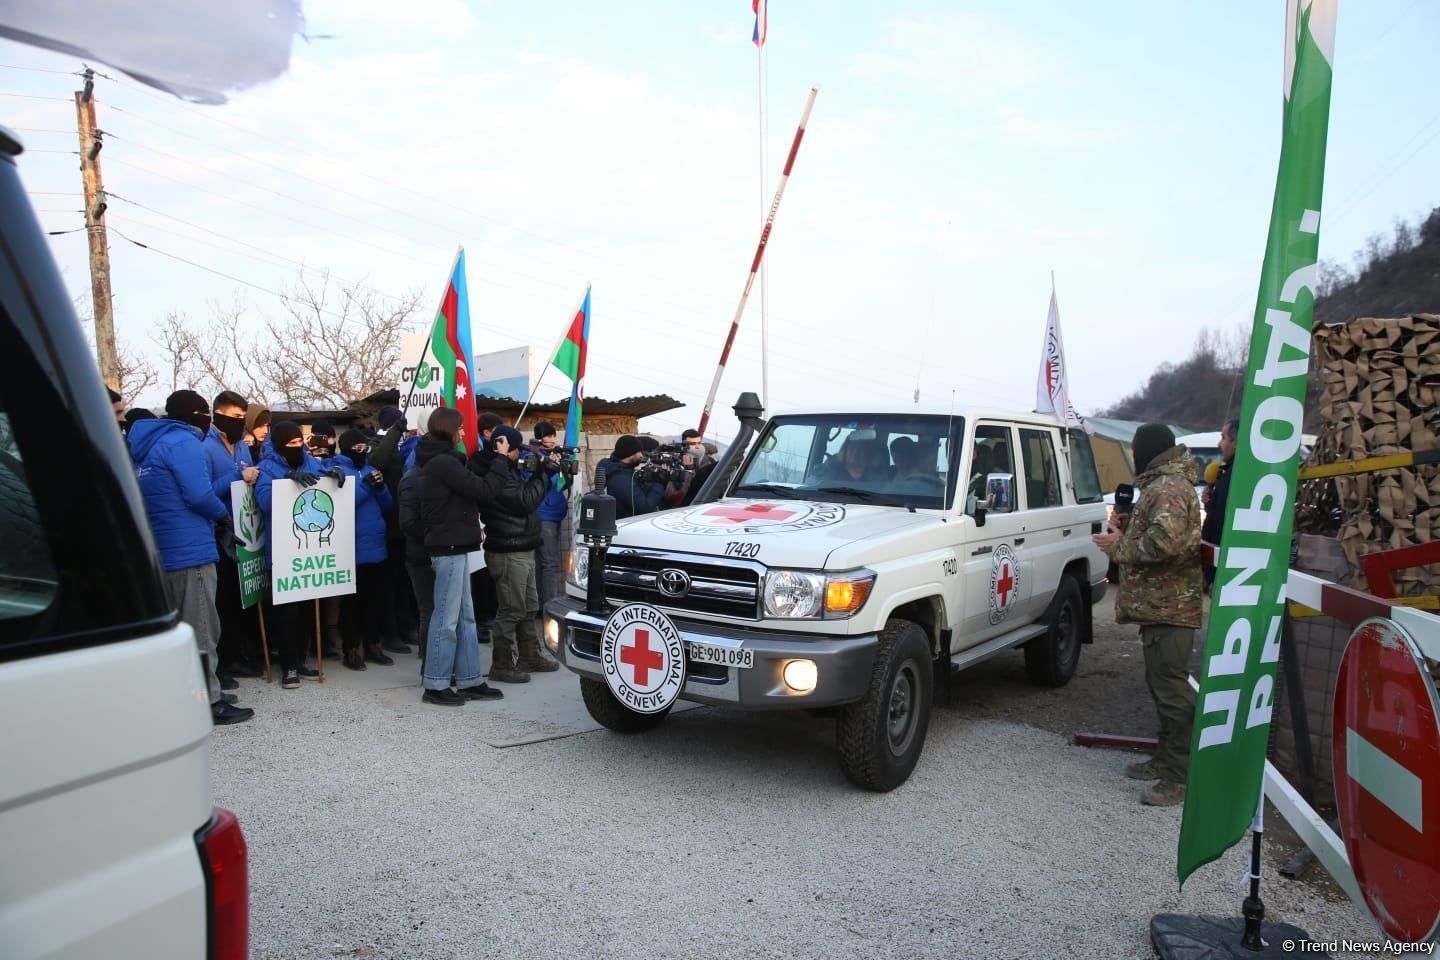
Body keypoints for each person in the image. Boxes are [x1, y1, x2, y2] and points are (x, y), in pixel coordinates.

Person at [1092, 423, 1202, 807]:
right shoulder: (1163, 486)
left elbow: (1164, 544)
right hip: (1161, 606)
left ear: (1145, 452)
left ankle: (1179, 777)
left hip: (1170, 606)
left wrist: (1120, 545)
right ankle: (1165, 759)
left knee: (1172, 693)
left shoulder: (1168, 488)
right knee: (1162, 687)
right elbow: (1157, 533)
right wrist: (1129, 526)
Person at [128, 389, 253, 725]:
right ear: (197, 414)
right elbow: (199, 494)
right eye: (204, 413)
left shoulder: (147, 445)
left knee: (182, 628)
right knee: (201, 628)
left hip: (165, 549)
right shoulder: (183, 443)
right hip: (190, 550)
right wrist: (222, 517)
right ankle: (208, 702)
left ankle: (195, 691)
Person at [417, 407, 504, 706]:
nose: (464, 433)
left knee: (465, 617)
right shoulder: (443, 463)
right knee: (446, 618)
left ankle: (469, 679)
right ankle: (436, 684)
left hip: (457, 547)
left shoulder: (444, 461)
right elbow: (483, 489)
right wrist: (502, 460)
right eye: (461, 428)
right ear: (449, 430)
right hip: (448, 548)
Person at [255, 420, 336, 689]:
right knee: (286, 613)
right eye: (290, 444)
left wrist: (335, 472)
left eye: (299, 442)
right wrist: (287, 482)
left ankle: (301, 660)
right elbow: (264, 501)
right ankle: (288, 666)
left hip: (309, 549)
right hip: (282, 550)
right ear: (279, 446)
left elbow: (323, 474)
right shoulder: (268, 468)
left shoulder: (309, 462)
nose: (297, 447)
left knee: (304, 611)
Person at [479, 425, 560, 682]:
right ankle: (501, 663)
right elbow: (524, 501)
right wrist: (543, 476)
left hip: (522, 546)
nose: (519, 455)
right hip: (508, 550)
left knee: (529, 607)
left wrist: (539, 471)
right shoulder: (495, 472)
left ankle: (529, 655)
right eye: (517, 450)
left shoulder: (508, 470)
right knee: (511, 608)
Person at [326, 429, 398, 671]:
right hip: (351, 547)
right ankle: (351, 648)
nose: (362, 451)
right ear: (346, 449)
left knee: (374, 600)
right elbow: (339, 507)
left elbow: (388, 505)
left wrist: (380, 488)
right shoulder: (337, 473)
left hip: (376, 546)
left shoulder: (369, 469)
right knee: (352, 603)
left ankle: (374, 644)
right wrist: (365, 488)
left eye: (364, 447)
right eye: (357, 448)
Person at [204, 390, 263, 684]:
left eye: (244, 418)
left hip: (244, 532)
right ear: (220, 415)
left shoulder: (241, 446)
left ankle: (238, 656)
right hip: (218, 533)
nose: (242, 424)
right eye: (237, 418)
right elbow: (204, 491)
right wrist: (237, 478)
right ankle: (220, 665)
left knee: (241, 600)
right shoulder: (205, 446)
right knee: (220, 603)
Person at [531, 420, 570, 609]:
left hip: (553, 514)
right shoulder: (531, 457)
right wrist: (547, 468)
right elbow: (533, 483)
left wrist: (565, 472)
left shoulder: (556, 456)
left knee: (544, 563)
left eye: (553, 435)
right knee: (549, 563)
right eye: (548, 435)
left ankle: (542, 605)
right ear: (539, 437)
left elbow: (562, 484)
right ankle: (549, 606)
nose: (552, 439)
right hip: (543, 515)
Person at [1201, 418, 1240, 589]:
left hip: (1226, 569)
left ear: (1236, 442)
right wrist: (1211, 501)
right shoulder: (1226, 474)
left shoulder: (1237, 476)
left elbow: (1221, 523)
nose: (1219, 444)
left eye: (1223, 437)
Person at [600, 435, 664, 519]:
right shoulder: (621, 479)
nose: (641, 455)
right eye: (639, 452)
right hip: (629, 527)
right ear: (630, 454)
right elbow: (646, 507)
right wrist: (659, 483)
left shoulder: (624, 471)